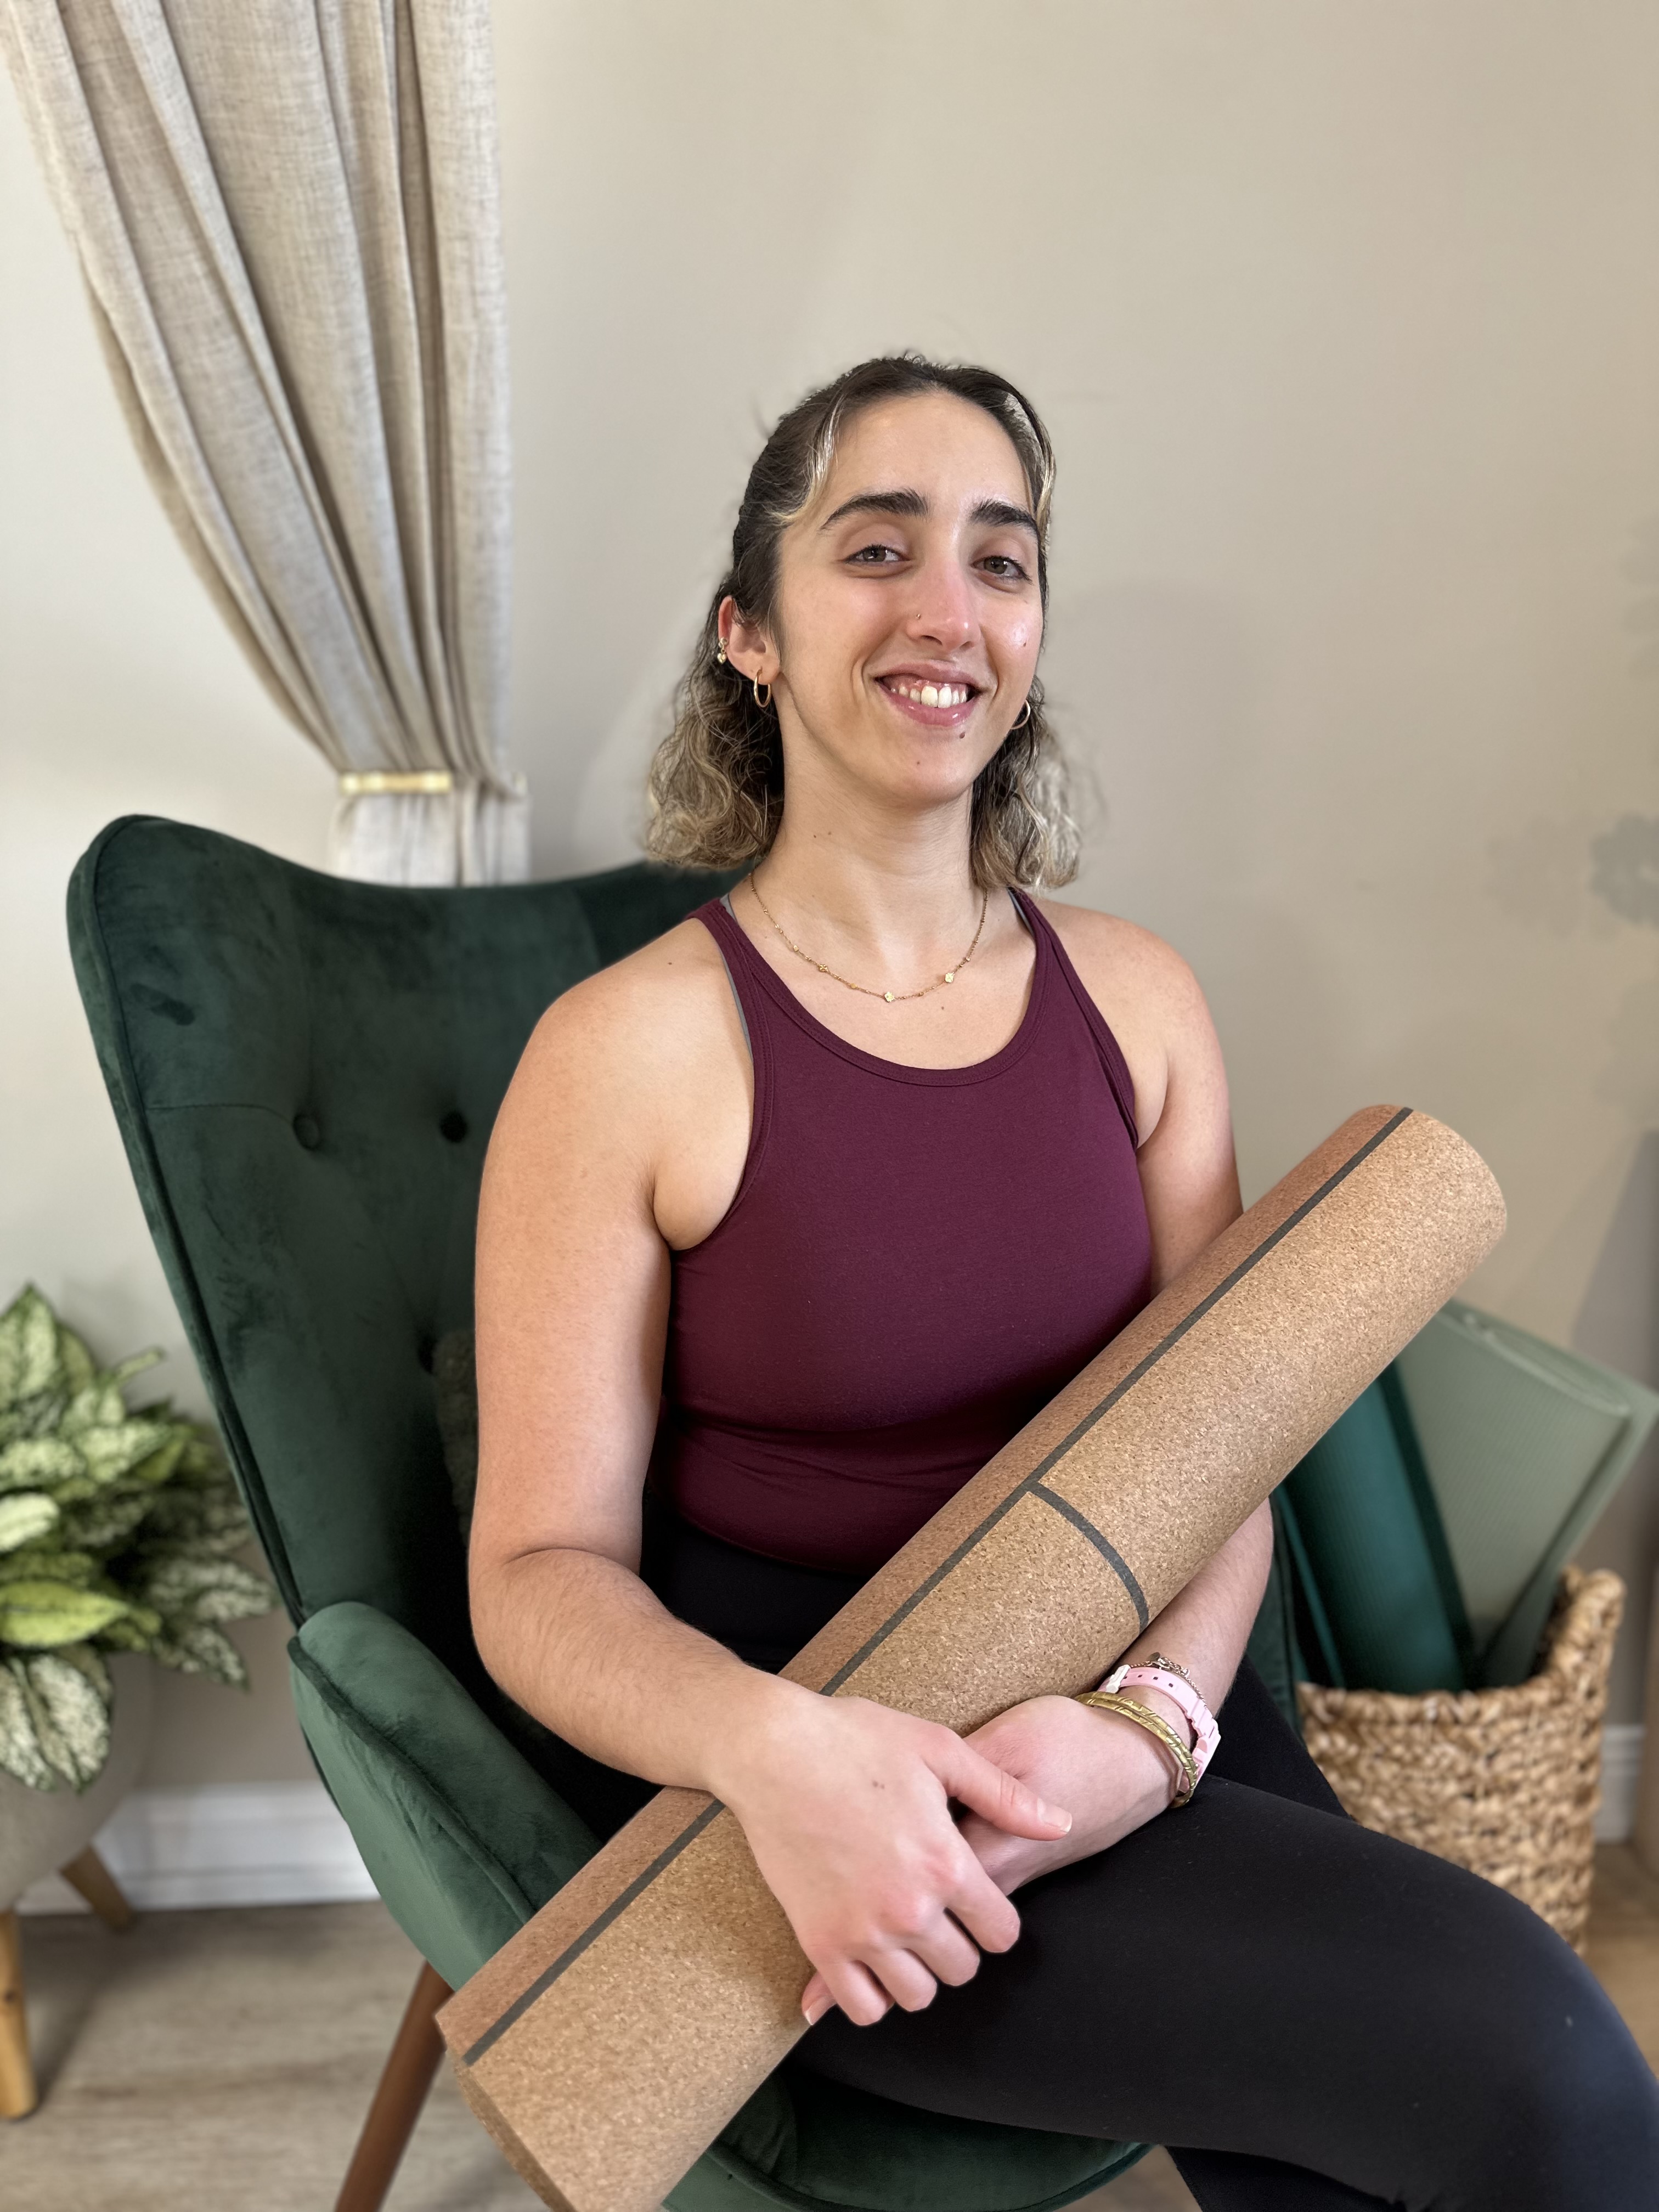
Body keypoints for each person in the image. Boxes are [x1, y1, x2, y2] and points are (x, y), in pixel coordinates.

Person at [468, 354, 1659, 2209]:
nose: (949, 610)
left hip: (1134, 1699)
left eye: (1003, 561)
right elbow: (537, 1577)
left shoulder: (1141, 1004)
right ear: (749, 635)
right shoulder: (626, 1054)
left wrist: (1151, 1735)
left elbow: (1231, 1438)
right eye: (877, 547)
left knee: (1415, 2140)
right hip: (819, 1770)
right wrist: (788, 1762)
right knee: (1546, 2074)